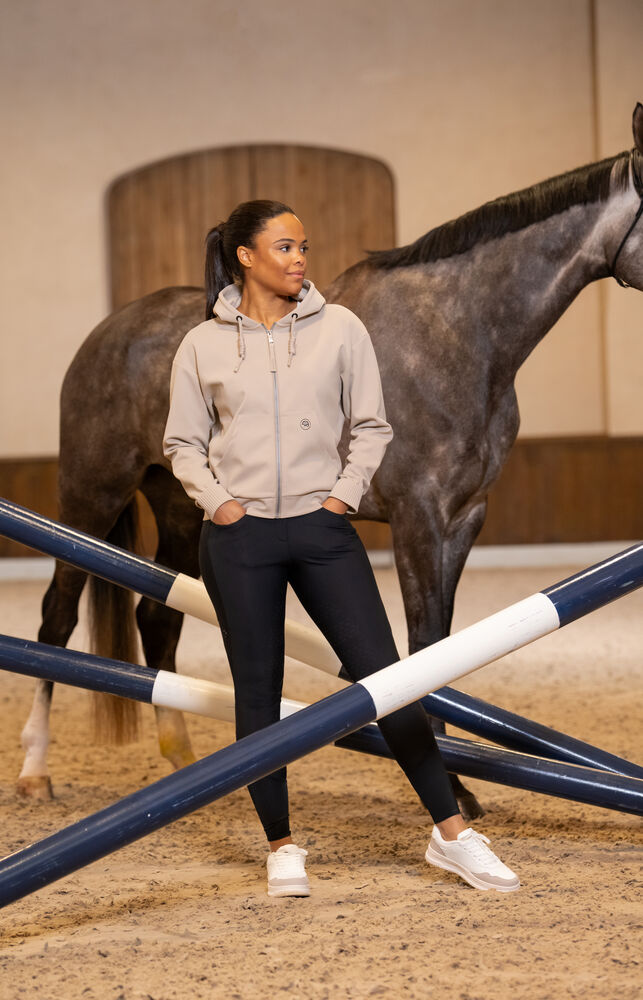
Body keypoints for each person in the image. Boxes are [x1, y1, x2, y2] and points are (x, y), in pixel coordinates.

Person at [163, 199, 519, 897]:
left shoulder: (341, 329)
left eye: (303, 246)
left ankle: (451, 836)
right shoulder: (201, 343)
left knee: (387, 682)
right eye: (285, 247)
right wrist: (219, 504)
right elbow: (181, 442)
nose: (300, 258)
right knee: (257, 693)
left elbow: (372, 426)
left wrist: (342, 496)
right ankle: (281, 846)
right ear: (245, 256)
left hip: (323, 530)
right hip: (237, 538)